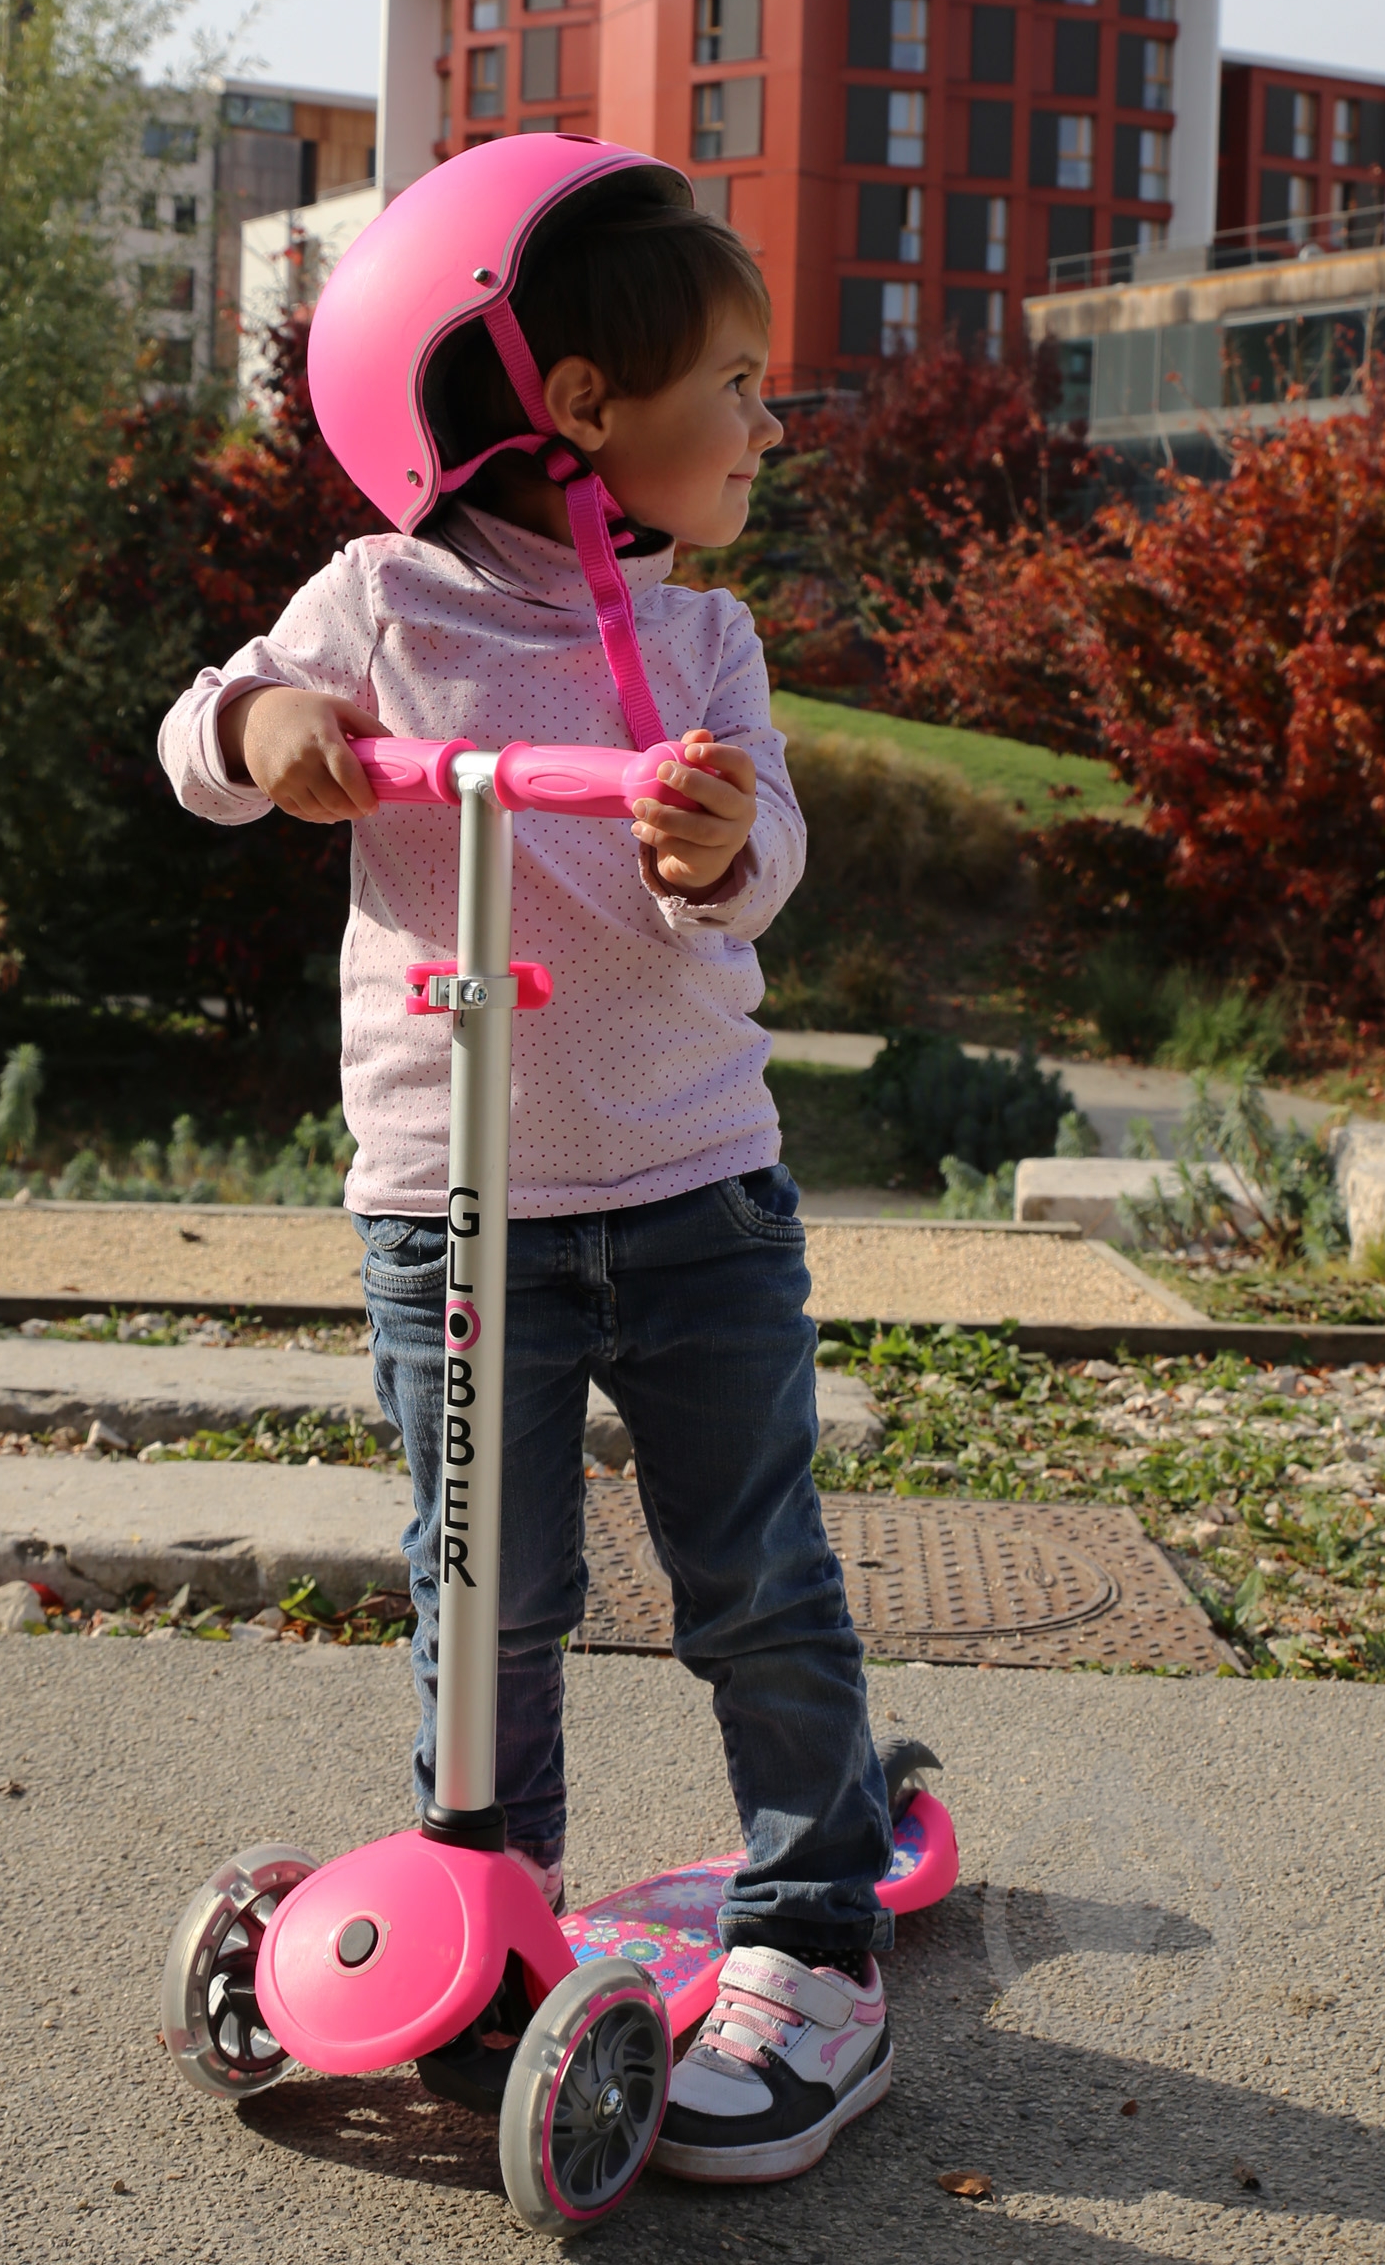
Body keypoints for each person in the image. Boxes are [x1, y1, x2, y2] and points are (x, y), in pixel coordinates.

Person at [160, 136, 896, 2187]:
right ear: (580, 407)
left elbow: (765, 860)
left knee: (752, 1574)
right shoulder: (375, 607)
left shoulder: (707, 641)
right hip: (449, 1211)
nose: (766, 419)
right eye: (734, 383)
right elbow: (205, 733)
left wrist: (720, 846)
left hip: (693, 1195)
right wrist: (272, 737)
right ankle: (500, 1904)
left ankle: (814, 1938)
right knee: (484, 1588)